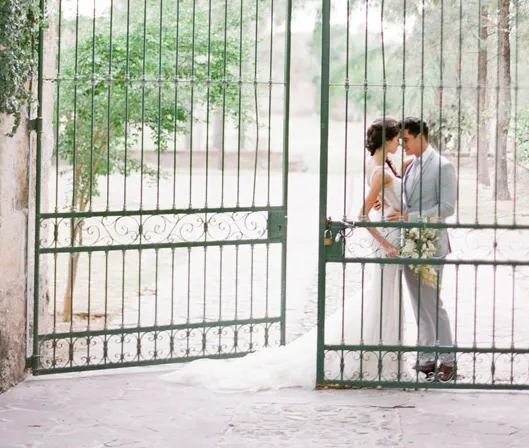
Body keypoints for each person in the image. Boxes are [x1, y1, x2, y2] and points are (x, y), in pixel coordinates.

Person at [162, 116, 405, 391]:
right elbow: (361, 216)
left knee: (383, 297)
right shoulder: (381, 171)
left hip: (390, 234)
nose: (400, 144)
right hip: (387, 243)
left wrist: (391, 210)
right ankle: (378, 361)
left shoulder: (376, 165)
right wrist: (386, 242)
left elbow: (378, 201)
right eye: (398, 139)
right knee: (383, 297)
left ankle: (382, 358)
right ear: (387, 139)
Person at [397, 116, 457, 382]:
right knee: (418, 302)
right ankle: (426, 356)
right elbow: (408, 201)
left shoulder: (444, 166)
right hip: (410, 244)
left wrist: (409, 218)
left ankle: (448, 359)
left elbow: (447, 208)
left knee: (433, 303)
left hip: (432, 244)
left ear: (421, 136)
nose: (402, 145)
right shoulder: (411, 165)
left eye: (406, 140)